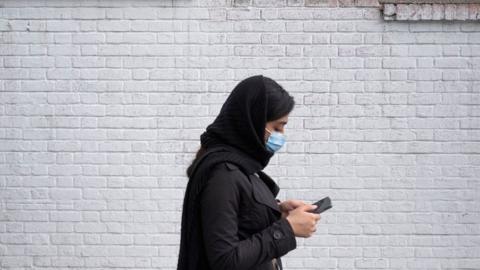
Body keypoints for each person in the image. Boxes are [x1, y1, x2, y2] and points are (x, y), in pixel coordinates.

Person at [177, 75, 321, 270]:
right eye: (276, 127)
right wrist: (286, 229)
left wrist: (276, 214)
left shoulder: (242, 169)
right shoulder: (223, 175)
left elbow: (241, 223)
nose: (281, 136)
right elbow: (224, 261)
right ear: (251, 122)